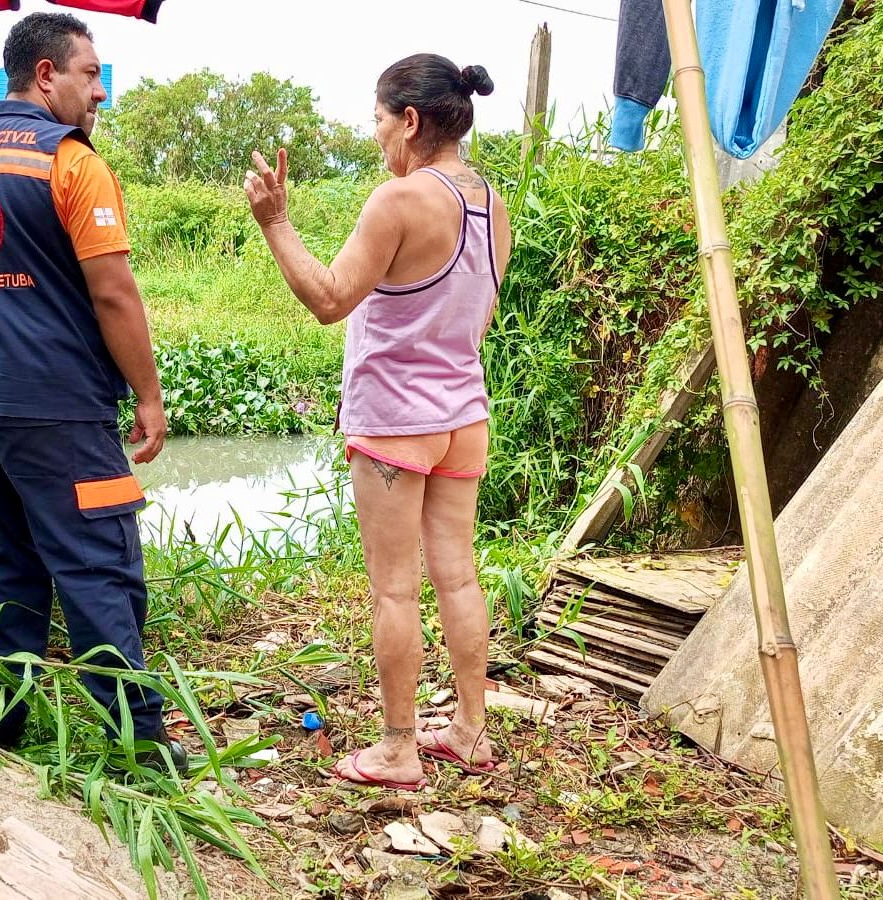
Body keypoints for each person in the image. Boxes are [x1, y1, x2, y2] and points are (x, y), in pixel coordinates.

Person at [244, 54, 512, 789]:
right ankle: (468, 732)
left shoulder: (396, 200)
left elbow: (330, 298)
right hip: (463, 413)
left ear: (411, 121)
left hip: (397, 422)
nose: (375, 135)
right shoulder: (491, 200)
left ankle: (396, 750)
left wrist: (275, 223)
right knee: (457, 578)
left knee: (395, 589)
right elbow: (476, 315)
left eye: (377, 119)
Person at [0, 11, 183, 771]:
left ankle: (1, 738)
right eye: (89, 73)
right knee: (96, 564)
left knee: (3, 560)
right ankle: (143, 753)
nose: (97, 90)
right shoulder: (70, 161)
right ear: (47, 75)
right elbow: (114, 293)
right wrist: (148, 393)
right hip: (57, 404)